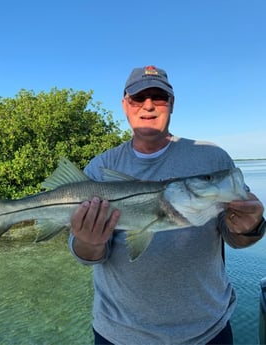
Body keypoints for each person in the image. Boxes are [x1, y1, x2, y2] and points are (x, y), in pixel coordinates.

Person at [68, 65, 265, 345]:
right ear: (125, 105)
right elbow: (83, 253)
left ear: (171, 104)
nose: (148, 105)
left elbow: (237, 238)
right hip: (119, 335)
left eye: (158, 97)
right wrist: (90, 242)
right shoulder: (101, 167)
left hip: (208, 331)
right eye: (138, 98)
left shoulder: (212, 158)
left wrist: (251, 227)